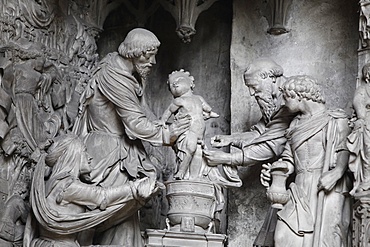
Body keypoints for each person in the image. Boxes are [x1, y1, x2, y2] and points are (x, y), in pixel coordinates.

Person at [73, 28, 190, 246]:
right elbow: (135, 123)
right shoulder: (114, 77)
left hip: (119, 154)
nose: (153, 62)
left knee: (124, 225)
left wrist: (166, 125)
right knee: (99, 215)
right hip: (107, 155)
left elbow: (143, 112)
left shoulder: (123, 71)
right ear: (135, 53)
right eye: (149, 55)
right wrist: (168, 134)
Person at [23, 134, 160, 247]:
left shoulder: (51, 183)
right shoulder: (67, 186)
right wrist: (136, 187)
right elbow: (102, 196)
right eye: (84, 151)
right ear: (73, 155)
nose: (90, 157)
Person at [262, 75, 351, 247]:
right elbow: (289, 159)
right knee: (282, 237)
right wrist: (277, 170)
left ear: (299, 97)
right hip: (300, 189)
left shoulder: (335, 119)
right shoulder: (295, 125)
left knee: (324, 239)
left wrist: (338, 171)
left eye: (286, 98)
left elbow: (344, 147)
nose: (284, 103)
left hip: (326, 186)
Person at [161, 69, 219, 179]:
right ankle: (181, 172)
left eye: (179, 80)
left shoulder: (198, 98)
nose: (175, 84)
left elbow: (207, 108)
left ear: (191, 83)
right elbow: (168, 112)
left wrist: (210, 113)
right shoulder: (178, 101)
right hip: (187, 131)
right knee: (190, 148)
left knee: (198, 153)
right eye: (172, 85)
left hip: (199, 133)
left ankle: (193, 178)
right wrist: (162, 121)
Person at [347, 62, 370, 194]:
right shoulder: (363, 89)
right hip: (368, 122)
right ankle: (367, 181)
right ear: (367, 76)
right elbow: (359, 105)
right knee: (368, 151)